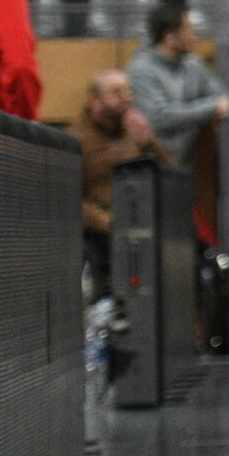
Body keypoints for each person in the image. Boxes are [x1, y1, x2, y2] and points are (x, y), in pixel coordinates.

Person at [71, 69, 168, 298]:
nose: (126, 98)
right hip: (102, 230)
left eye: (128, 92)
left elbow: (170, 176)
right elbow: (69, 199)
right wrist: (105, 222)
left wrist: (149, 143)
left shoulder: (136, 134)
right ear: (95, 101)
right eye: (116, 92)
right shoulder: (76, 140)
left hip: (144, 223)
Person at [127, 2, 229, 171]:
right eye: (188, 30)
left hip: (184, 165)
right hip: (150, 164)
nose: (194, 36)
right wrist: (213, 108)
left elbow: (223, 98)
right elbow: (159, 118)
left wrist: (221, 109)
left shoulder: (193, 65)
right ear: (170, 36)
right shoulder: (141, 70)